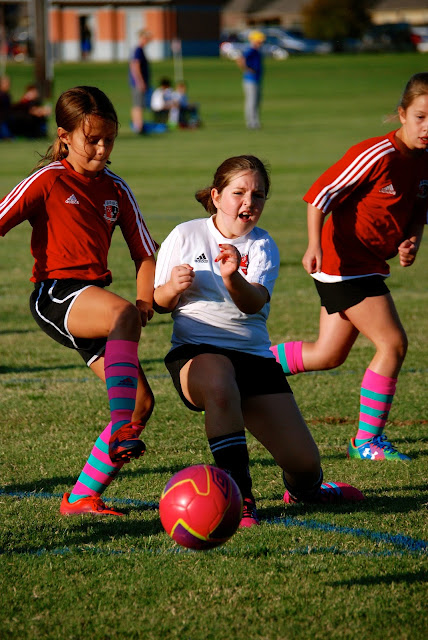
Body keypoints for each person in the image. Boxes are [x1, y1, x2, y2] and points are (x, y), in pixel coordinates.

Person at [153, 155, 364, 528]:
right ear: (216, 196)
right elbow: (159, 302)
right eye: (239, 192)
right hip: (196, 353)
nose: (249, 202)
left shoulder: (262, 244)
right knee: (218, 379)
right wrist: (172, 287)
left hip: (252, 357)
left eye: (258, 195)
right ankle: (240, 496)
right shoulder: (185, 235)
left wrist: (232, 276)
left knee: (304, 464)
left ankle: (306, 491)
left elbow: (252, 304)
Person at [0, 85, 158, 515]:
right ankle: (121, 430)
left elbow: (145, 254)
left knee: (141, 403)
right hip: (56, 294)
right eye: (93, 140)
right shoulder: (48, 179)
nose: (102, 149)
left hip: (93, 303)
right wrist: (131, 309)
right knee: (120, 313)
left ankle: (81, 497)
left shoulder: (116, 189)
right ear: (65, 136)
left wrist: (145, 299)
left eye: (110, 140)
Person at [271, 72, 428, 462]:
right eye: (421, 117)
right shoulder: (377, 153)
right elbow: (319, 196)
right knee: (392, 344)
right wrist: (312, 244)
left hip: (369, 264)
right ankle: (367, 441)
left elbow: (418, 209)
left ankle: (247, 368)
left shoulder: (425, 162)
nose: (427, 127)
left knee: (328, 354)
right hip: (343, 264)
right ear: (402, 114)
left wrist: (411, 240)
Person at [236, 30, 265, 130]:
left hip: (257, 79)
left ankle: (256, 122)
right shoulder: (250, 50)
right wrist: (247, 69)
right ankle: (251, 123)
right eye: (259, 41)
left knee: (256, 102)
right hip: (250, 80)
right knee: (251, 102)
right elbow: (240, 59)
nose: (260, 43)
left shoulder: (257, 51)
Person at [129, 29, 152, 134]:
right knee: (138, 105)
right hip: (138, 83)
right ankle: (139, 126)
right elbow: (135, 66)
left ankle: (137, 125)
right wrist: (140, 82)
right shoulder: (138, 50)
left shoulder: (140, 50)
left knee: (138, 104)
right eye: (146, 38)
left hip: (137, 82)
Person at [0, 75, 12, 139]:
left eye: (8, 83)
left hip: (6, 120)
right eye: (5, 83)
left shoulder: (7, 95)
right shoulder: (2, 95)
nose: (8, 85)